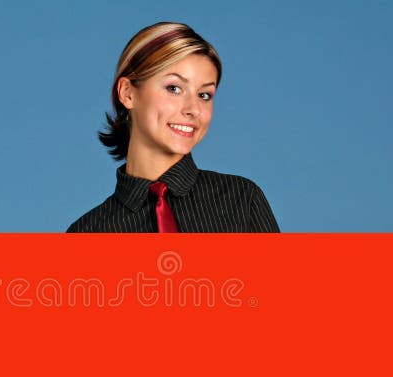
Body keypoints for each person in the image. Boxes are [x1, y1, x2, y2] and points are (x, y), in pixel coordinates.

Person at [66, 22, 280, 233]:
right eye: (174, 88)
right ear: (128, 93)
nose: (193, 109)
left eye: (204, 95)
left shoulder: (242, 200)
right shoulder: (86, 233)